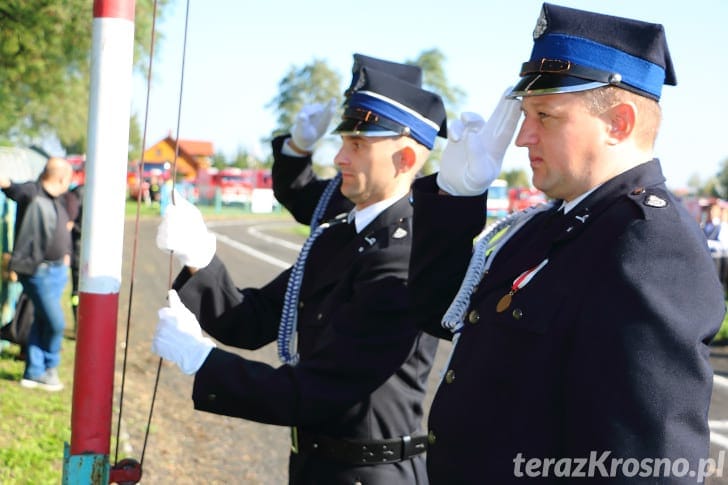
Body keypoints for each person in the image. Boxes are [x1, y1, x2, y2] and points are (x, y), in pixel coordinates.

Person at [407, 3, 726, 483]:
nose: (522, 138)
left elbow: (650, 465)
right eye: (525, 115)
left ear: (618, 123)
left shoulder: (649, 246)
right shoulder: (551, 226)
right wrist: (455, 198)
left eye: (546, 116)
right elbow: (439, 309)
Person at [151, 58, 447, 484]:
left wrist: (204, 361)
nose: (339, 157)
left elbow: (321, 391)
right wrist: (200, 257)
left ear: (403, 158)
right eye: (343, 141)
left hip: (371, 473)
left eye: (358, 145)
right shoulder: (338, 236)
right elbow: (252, 321)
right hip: (318, 465)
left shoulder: (407, 256)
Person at [0, 157, 73, 391]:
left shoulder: (57, 199)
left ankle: (33, 372)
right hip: (37, 271)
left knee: (40, 320)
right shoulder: (32, 192)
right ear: (62, 178)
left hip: (57, 270)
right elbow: (8, 185)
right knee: (56, 323)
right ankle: (50, 368)